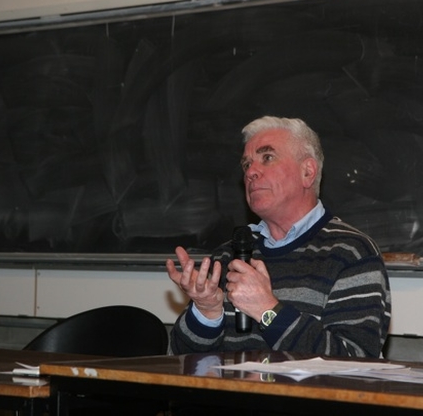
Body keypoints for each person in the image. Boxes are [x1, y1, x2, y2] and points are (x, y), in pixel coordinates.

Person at [166, 116, 391, 358]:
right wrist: (206, 311)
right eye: (246, 164)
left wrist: (268, 310)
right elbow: (181, 359)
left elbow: (354, 361)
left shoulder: (351, 252)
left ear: (307, 172)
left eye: (267, 158)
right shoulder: (227, 255)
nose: (251, 172)